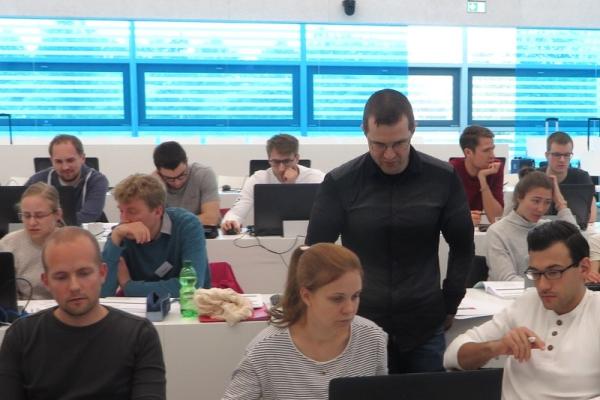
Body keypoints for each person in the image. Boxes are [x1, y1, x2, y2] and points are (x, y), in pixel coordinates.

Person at [305, 89, 474, 373]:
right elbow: (314, 253)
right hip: (359, 323)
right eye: (378, 144)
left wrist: (450, 301)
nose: (390, 154)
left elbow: (463, 245)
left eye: (400, 143)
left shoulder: (442, 178)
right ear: (364, 132)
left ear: (413, 130)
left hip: (425, 322)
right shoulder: (340, 182)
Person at [0, 226, 166, 399]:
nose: (74, 287)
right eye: (61, 277)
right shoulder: (21, 336)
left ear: (102, 273)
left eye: (84, 273)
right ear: (46, 281)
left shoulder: (139, 336)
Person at [444, 220, 600, 399]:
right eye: (535, 273)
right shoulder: (526, 303)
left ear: (584, 268)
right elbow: (452, 355)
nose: (542, 285)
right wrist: (497, 347)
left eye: (554, 272)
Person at [222, 243, 387, 400]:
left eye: (355, 296)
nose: (350, 309)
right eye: (337, 299)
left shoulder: (372, 338)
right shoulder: (265, 349)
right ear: (306, 296)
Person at [101, 174, 210, 297]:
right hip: (138, 312)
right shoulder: (122, 234)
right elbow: (102, 294)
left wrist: (129, 287)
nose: (124, 219)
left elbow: (192, 286)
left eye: (132, 211)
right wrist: (115, 238)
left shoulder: (187, 226)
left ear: (158, 211)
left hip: (187, 309)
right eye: (121, 211)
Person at [221, 133, 325, 234]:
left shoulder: (316, 178)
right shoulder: (258, 179)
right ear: (268, 159)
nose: (281, 168)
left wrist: (291, 186)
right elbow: (237, 212)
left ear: (297, 158)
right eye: (275, 162)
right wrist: (231, 221)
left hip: (309, 235)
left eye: (286, 161)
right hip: (267, 238)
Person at [486, 168, 577, 281]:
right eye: (536, 201)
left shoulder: (547, 228)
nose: (541, 208)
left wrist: (561, 203)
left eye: (547, 202)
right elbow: (507, 279)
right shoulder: (497, 232)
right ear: (520, 197)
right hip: (510, 297)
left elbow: (577, 243)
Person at [25, 134, 109, 224]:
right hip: (48, 234)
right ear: (51, 161)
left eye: (70, 160)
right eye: (58, 161)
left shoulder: (97, 180)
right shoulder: (38, 180)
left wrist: (48, 222)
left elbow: (89, 216)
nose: (65, 167)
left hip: (85, 234)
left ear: (82, 158)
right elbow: (21, 210)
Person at [0, 183, 62, 300]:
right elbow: (6, 295)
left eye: (39, 216)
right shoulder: (8, 244)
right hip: (25, 311)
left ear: (57, 215)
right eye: (26, 216)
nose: (32, 222)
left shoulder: (71, 243)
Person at [153, 141, 220, 225]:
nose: (177, 183)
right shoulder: (153, 183)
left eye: (181, 175)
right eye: (169, 179)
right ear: (158, 171)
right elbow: (151, 223)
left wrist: (168, 224)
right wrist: (158, 188)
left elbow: (211, 219)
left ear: (187, 162)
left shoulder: (203, 174)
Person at [449, 125, 504, 226]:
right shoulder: (451, 170)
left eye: (492, 149)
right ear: (468, 152)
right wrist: (462, 217)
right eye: (486, 150)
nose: (493, 156)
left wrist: (482, 179)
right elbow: (440, 213)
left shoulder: (494, 168)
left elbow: (495, 217)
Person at [542, 131, 596, 223]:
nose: (562, 160)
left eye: (567, 155)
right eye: (557, 155)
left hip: (573, 231)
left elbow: (590, 217)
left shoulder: (581, 177)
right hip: (538, 231)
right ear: (547, 155)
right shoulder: (533, 177)